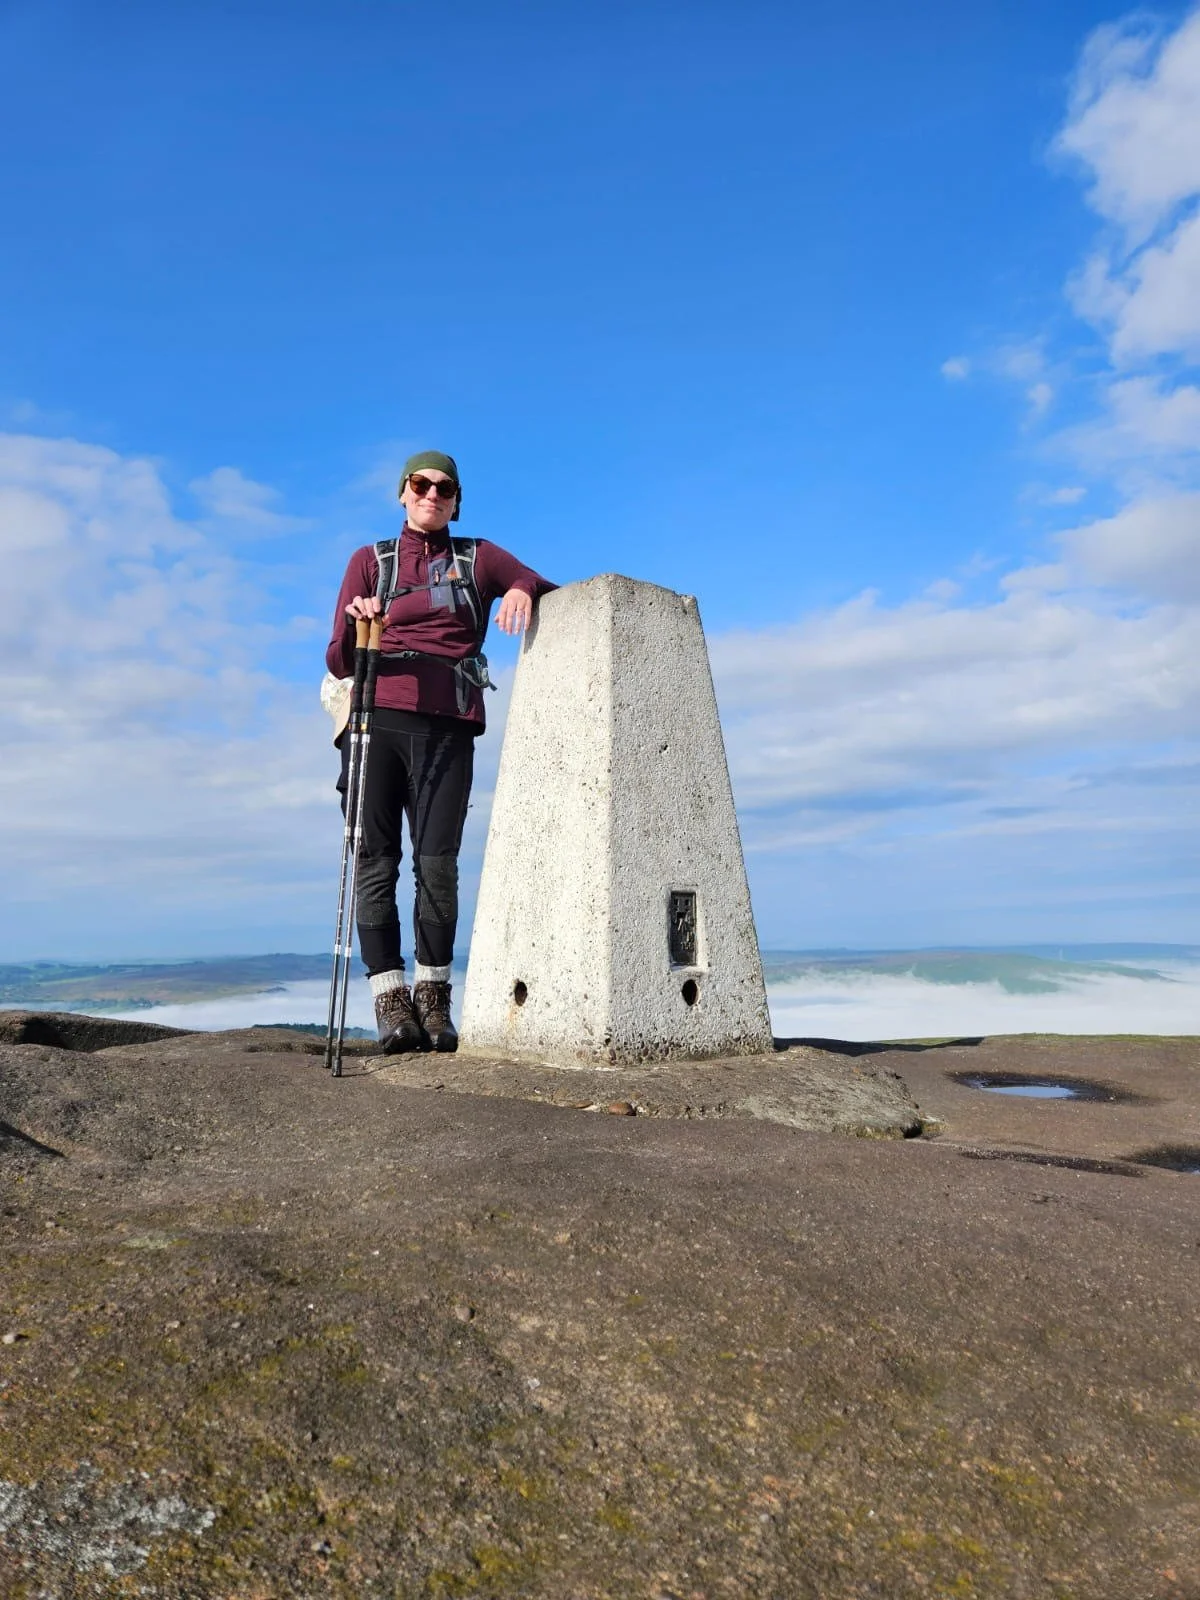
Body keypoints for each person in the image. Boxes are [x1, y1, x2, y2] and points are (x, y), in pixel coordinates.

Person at [326, 450, 554, 1054]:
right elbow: (337, 660)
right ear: (403, 493)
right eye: (420, 485)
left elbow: (543, 584)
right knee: (376, 858)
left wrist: (521, 590)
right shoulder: (369, 562)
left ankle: (433, 1001)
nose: (431, 494)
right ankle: (390, 1002)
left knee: (437, 865)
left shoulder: (478, 558)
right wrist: (358, 620)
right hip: (375, 721)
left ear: (455, 500)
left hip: (449, 726)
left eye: (443, 488)